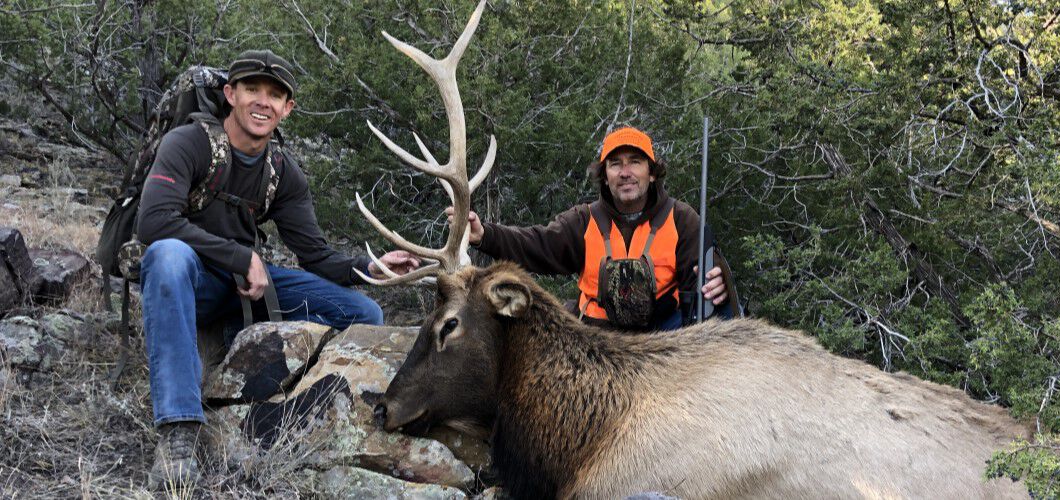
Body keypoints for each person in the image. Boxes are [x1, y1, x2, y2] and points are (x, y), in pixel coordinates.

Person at [135, 49, 419, 488]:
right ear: (231, 94)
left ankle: (274, 394)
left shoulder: (282, 171)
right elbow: (153, 221)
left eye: (275, 95)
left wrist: (371, 266)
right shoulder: (189, 143)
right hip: (191, 279)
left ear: (288, 108)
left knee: (366, 316)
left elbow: (316, 255)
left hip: (242, 290)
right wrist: (240, 256)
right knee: (167, 256)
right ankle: (178, 435)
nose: (262, 102)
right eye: (251, 90)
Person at [452, 126, 730, 331]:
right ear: (605, 177)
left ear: (652, 172)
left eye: (635, 162)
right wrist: (484, 235)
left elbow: (707, 274)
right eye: (615, 164)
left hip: (660, 341)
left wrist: (721, 282)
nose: (625, 172)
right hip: (597, 342)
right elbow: (537, 244)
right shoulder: (585, 220)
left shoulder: (682, 220)